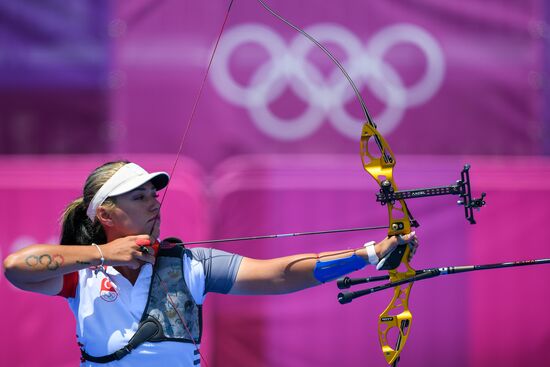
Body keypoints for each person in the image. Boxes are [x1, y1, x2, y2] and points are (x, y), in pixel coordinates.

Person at [3, 160, 418, 367]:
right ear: (105, 216)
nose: (154, 203)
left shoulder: (189, 264)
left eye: (154, 194)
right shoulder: (81, 276)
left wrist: (366, 255)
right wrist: (103, 255)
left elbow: (276, 275)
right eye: (139, 197)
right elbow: (16, 267)